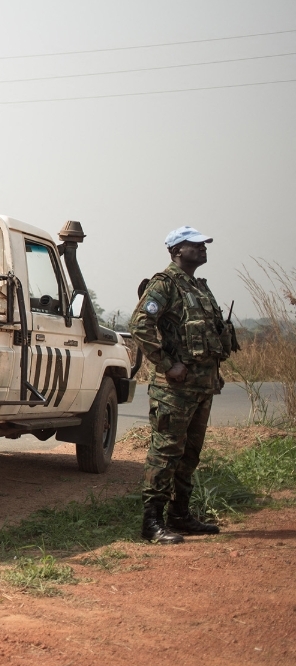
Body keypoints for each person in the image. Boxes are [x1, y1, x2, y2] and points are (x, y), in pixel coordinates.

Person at [129, 226, 235, 544]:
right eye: (196, 245)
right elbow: (139, 324)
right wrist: (166, 364)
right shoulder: (165, 283)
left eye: (204, 245)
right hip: (174, 389)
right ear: (177, 250)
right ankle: (152, 523)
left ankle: (180, 515)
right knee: (165, 453)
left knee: (190, 454)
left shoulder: (199, 287)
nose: (203, 249)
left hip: (201, 387)